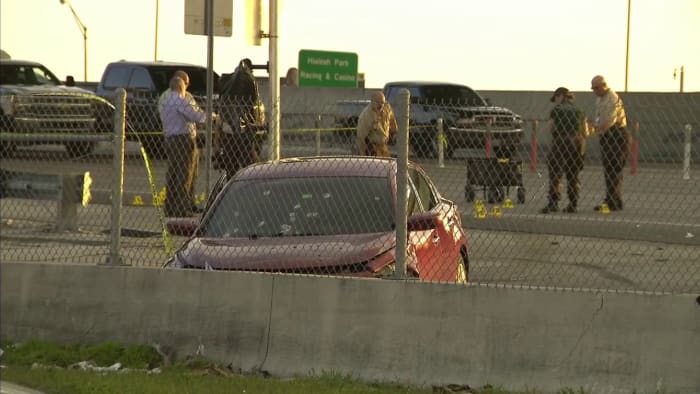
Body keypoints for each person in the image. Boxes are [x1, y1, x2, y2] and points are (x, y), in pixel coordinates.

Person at [160, 76, 215, 217]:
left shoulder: (167, 101)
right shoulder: (179, 100)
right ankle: (181, 208)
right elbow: (196, 116)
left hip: (170, 139)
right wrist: (212, 116)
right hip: (183, 139)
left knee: (172, 174)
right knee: (184, 174)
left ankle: (170, 207)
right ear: (180, 87)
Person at [540, 87, 587, 214]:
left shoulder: (557, 110)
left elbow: (551, 127)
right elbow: (585, 131)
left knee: (555, 172)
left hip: (561, 140)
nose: (555, 101)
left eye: (555, 98)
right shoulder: (579, 110)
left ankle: (553, 202)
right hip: (578, 141)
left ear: (560, 96)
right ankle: (573, 203)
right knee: (573, 173)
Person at [217, 58, 263, 177]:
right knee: (250, 166)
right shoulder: (247, 86)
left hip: (231, 134)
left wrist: (217, 145)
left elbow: (219, 125)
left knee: (232, 168)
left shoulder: (228, 93)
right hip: (242, 134)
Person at [590, 75, 629, 211]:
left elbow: (610, 121)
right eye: (592, 88)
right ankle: (612, 199)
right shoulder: (600, 99)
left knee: (614, 169)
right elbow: (599, 117)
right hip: (607, 135)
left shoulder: (611, 98)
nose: (594, 90)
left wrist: (597, 129)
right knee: (609, 170)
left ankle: (613, 200)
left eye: (596, 87)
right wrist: (596, 127)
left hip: (616, 134)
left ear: (604, 85)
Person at [356, 91, 397, 157]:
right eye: (377, 102)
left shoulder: (386, 108)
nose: (380, 105)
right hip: (372, 147)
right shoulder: (366, 115)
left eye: (382, 102)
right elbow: (361, 137)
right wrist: (363, 155)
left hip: (383, 146)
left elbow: (392, 120)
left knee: (386, 165)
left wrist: (394, 132)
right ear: (372, 101)